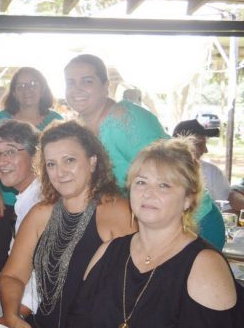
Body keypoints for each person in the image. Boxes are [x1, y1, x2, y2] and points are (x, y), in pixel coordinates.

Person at [65, 138, 244, 328]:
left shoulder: (205, 266)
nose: (149, 193)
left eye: (164, 185)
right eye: (141, 182)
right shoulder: (108, 252)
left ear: (188, 199)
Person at [64, 53, 225, 250]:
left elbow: (179, 170)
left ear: (106, 86)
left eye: (87, 81)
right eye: (70, 82)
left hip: (192, 223)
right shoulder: (82, 128)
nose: (77, 89)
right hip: (153, 227)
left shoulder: (125, 120)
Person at [0, 121, 134, 328]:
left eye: (69, 160)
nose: (60, 172)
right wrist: (13, 317)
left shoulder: (118, 213)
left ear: (92, 162)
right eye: (51, 164)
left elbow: (131, 298)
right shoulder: (40, 214)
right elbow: (12, 275)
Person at [0, 67, 63, 273]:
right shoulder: (1, 118)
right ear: (13, 91)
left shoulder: (56, 120)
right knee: (4, 253)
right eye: (20, 85)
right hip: (2, 199)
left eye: (11, 151)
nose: (3, 159)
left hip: (41, 192)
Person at [0, 120, 41, 315]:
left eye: (11, 151)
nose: (2, 161)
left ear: (35, 155)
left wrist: (14, 316)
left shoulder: (40, 201)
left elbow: (41, 276)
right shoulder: (27, 197)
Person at [172, 119, 230, 203]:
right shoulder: (163, 173)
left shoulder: (212, 172)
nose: (206, 150)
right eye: (200, 144)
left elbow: (226, 207)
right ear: (179, 145)